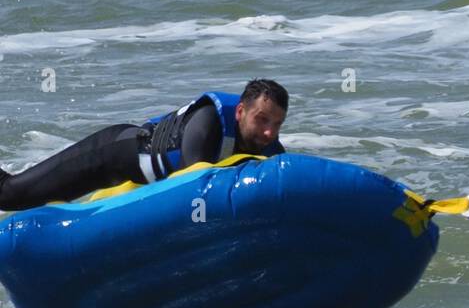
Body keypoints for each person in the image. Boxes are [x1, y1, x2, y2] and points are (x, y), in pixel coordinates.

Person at [0, 79, 288, 212]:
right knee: (11, 195)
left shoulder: (269, 147)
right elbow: (193, 182)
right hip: (112, 155)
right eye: (261, 120)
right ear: (239, 112)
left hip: (134, 183)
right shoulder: (209, 121)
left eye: (276, 125)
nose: (268, 132)